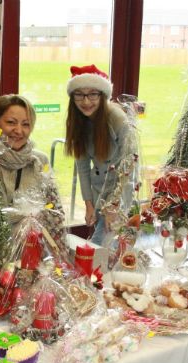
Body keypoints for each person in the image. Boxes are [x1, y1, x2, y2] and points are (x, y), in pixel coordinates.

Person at [0, 94, 66, 251]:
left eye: (26, 124)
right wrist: (30, 213)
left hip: (35, 249)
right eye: (11, 122)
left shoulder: (41, 161)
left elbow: (53, 209)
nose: (18, 131)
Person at [64, 64, 131, 245]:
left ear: (103, 95)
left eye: (93, 94)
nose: (86, 102)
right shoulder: (78, 121)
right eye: (79, 94)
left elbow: (131, 166)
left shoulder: (117, 119)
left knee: (102, 246)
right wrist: (88, 204)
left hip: (120, 194)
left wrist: (114, 206)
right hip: (98, 193)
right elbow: (83, 168)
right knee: (103, 247)